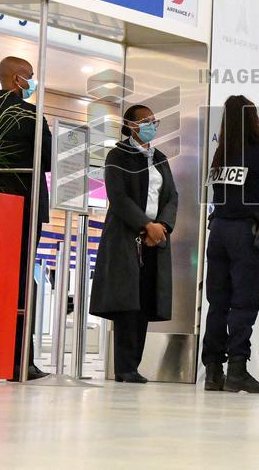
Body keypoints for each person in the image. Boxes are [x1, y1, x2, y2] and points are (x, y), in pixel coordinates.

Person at [202, 95, 259, 394]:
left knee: (217, 302)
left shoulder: (220, 156)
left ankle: (213, 371)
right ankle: (237, 369)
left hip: (218, 232)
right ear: (254, 120)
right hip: (246, 234)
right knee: (243, 302)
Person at [0, 56, 52, 381]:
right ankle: (21, 360)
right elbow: (47, 159)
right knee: (20, 282)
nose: (33, 83)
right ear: (18, 79)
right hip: (24, 205)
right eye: (30, 77)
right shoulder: (30, 114)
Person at [90, 104, 178, 383]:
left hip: (155, 239)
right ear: (130, 125)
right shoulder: (118, 156)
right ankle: (124, 367)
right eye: (144, 120)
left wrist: (162, 226)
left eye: (154, 120)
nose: (151, 124)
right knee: (126, 302)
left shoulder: (160, 158)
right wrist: (145, 225)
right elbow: (119, 197)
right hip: (127, 238)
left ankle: (134, 366)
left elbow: (171, 196)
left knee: (145, 301)